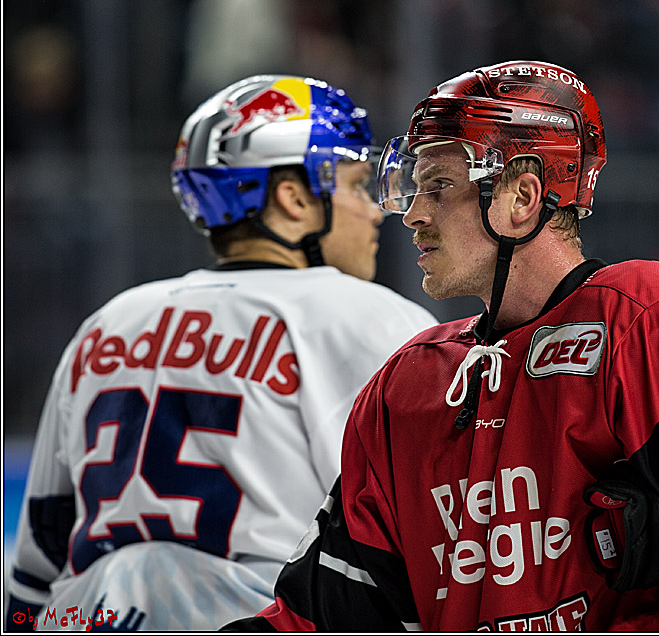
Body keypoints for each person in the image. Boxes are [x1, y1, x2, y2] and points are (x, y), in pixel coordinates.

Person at [223, 61, 659, 631]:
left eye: (438, 185)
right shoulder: (403, 386)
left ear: (521, 196)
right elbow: (322, 612)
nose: (412, 214)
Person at [3, 75, 437, 631]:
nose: (375, 211)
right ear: (293, 198)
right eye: (355, 185)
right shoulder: (372, 319)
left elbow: (39, 555)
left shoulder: (108, 323)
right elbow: (432, 532)